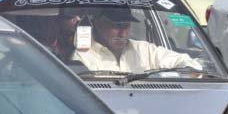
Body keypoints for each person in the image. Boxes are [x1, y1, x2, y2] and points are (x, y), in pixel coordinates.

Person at [73, 9, 202, 73]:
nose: (123, 33)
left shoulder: (144, 50)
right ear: (99, 25)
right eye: (116, 26)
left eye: (126, 26)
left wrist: (190, 70)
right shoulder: (82, 57)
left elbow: (183, 61)